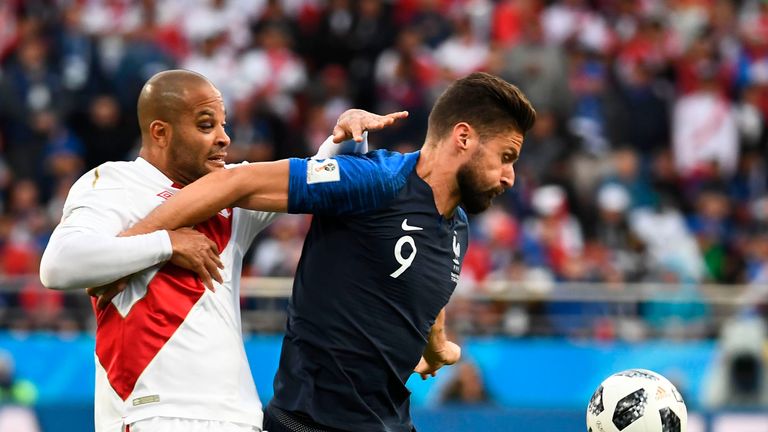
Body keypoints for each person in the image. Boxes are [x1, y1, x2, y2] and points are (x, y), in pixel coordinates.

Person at [120, 72, 536, 431]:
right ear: (463, 137)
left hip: (389, 421)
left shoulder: (456, 226)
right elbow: (236, 182)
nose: (510, 177)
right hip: (313, 422)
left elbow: (421, 288)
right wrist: (135, 244)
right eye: (506, 157)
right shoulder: (376, 182)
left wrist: (437, 347)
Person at [38, 69, 408, 432]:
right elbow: (58, 265)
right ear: (160, 133)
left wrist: (347, 138)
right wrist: (166, 243)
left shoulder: (232, 190)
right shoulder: (116, 183)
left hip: (238, 415)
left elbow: (320, 180)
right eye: (205, 125)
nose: (223, 139)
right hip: (155, 412)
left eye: (223, 125)